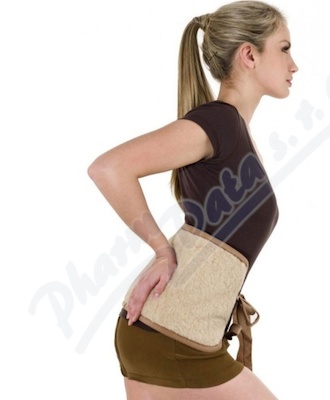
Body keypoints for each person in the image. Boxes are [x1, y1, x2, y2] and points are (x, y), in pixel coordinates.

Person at [88, 1, 298, 399]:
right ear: (249, 55)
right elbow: (109, 169)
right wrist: (161, 250)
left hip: (166, 331)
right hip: (174, 337)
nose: (294, 64)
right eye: (284, 49)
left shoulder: (231, 130)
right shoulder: (219, 123)